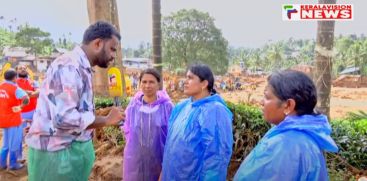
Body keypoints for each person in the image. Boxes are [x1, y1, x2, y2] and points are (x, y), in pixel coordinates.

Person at [25, 21, 125, 181]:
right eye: (112, 49)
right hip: (57, 155)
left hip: (69, 151)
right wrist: (106, 120)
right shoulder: (69, 67)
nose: (113, 56)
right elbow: (63, 118)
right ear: (98, 43)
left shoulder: (81, 67)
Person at [234, 70, 339, 181]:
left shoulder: (284, 146)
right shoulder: (305, 136)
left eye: (267, 97)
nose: (261, 102)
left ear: (288, 105)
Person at [161, 64, 233, 180]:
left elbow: (216, 158)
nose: (185, 81)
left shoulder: (215, 111)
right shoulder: (181, 107)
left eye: (190, 78)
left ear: (204, 84)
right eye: (186, 77)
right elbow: (170, 145)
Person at [122, 68, 173, 181]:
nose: (147, 85)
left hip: (159, 158)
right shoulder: (133, 106)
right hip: (135, 159)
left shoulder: (167, 107)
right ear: (140, 83)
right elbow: (126, 129)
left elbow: (173, 136)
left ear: (158, 84)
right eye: (144, 82)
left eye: (151, 82)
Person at [0, 69, 29, 170]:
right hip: (14, 120)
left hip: (3, 119)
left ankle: (2, 163)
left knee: (6, 143)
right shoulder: (15, 88)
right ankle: (13, 164)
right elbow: (26, 98)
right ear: (14, 78)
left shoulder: (1, 86)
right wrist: (21, 107)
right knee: (15, 142)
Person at [16, 65, 39, 162]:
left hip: (34, 112)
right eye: (20, 68)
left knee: (35, 134)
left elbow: (38, 93)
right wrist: (29, 93)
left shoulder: (33, 82)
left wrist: (27, 94)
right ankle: (20, 156)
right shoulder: (14, 83)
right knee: (19, 136)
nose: (23, 70)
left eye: (24, 68)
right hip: (20, 113)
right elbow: (16, 95)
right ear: (17, 70)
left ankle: (34, 157)